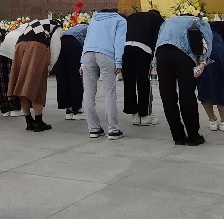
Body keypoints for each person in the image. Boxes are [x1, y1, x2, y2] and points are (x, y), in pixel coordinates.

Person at [155, 13, 212, 146]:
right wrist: (203, 62)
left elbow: (158, 41)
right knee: (187, 94)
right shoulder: (198, 22)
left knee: (167, 95)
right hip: (184, 55)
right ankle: (193, 136)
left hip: (162, 54)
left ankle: (178, 136)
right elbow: (207, 43)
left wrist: (155, 63)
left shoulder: (167, 22)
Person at [8, 16, 63, 132]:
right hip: (37, 46)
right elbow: (55, 48)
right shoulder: (57, 27)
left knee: (22, 84)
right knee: (37, 85)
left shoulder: (34, 23)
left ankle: (29, 121)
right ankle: (39, 122)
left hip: (20, 45)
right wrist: (49, 67)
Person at [81, 9, 127, 139]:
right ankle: (113, 130)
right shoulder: (120, 20)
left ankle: (93, 129)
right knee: (109, 92)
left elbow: (87, 40)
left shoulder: (94, 20)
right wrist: (118, 62)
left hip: (88, 54)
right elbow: (119, 42)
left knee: (88, 93)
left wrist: (82, 62)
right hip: (107, 55)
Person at [123, 9, 163, 126]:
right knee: (144, 82)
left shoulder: (132, 16)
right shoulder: (157, 19)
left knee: (129, 83)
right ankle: (145, 115)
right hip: (144, 49)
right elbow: (159, 38)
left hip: (126, 48)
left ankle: (134, 115)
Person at [198, 26, 224, 132]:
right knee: (220, 85)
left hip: (199, 51)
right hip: (216, 51)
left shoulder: (199, 28)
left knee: (203, 85)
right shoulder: (222, 30)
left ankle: (212, 120)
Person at [0, 21, 31, 117]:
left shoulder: (12, 32)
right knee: (13, 81)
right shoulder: (25, 35)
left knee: (1, 82)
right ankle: (15, 108)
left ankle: (5, 109)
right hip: (12, 55)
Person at [54, 22, 87, 120]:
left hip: (61, 43)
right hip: (75, 44)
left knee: (63, 76)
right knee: (75, 77)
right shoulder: (89, 27)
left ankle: (68, 109)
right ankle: (77, 109)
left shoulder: (72, 29)